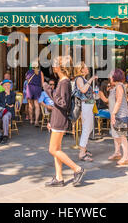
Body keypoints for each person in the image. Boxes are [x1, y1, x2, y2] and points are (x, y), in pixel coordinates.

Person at [43, 55, 85, 187]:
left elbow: (63, 103)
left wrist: (49, 90)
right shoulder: (62, 81)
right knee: (57, 149)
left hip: (60, 119)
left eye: (55, 63)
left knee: (52, 149)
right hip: (57, 118)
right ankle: (59, 177)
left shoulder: (64, 82)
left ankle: (77, 169)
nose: (53, 65)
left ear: (61, 67)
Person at [73, 62, 97, 162]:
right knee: (87, 128)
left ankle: (84, 148)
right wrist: (91, 79)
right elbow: (83, 90)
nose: (87, 68)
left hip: (89, 105)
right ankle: (82, 153)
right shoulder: (79, 78)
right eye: (85, 67)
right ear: (81, 69)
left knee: (89, 127)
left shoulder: (83, 79)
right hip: (85, 106)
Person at [107, 69, 128, 165]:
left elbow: (119, 100)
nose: (109, 77)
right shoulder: (116, 86)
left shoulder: (119, 86)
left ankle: (126, 157)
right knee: (116, 135)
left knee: (122, 136)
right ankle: (117, 153)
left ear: (115, 77)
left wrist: (113, 113)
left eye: (111, 75)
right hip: (117, 114)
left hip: (121, 115)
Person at [0, 80, 16, 144]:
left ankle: (5, 135)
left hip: (9, 111)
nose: (7, 86)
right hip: (1, 110)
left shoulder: (13, 94)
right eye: (5, 85)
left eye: (8, 85)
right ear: (3, 86)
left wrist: (8, 95)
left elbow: (11, 102)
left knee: (5, 117)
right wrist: (6, 105)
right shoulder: (1, 93)